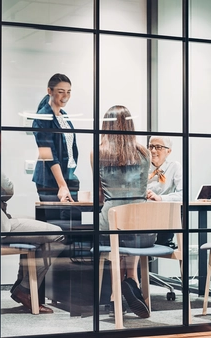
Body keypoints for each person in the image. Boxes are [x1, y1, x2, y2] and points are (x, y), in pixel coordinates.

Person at [0, 104, 64, 314]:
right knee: (56, 234)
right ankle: (24, 288)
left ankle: (20, 287)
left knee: (32, 233)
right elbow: (8, 188)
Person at [92, 105, 155, 319]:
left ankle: (115, 294)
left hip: (113, 224)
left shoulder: (98, 152)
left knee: (116, 235)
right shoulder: (144, 152)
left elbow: (100, 195)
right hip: (145, 230)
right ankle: (132, 280)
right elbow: (143, 189)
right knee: (131, 232)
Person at [32, 73, 80, 203]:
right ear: (49, 91)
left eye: (69, 92)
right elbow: (48, 153)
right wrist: (62, 185)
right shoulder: (42, 117)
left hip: (68, 176)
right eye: (61, 91)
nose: (66, 96)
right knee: (55, 222)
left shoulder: (64, 116)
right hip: (51, 180)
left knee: (72, 221)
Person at [146, 136, 183, 202]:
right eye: (151, 146)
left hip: (167, 209)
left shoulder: (174, 167)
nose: (153, 150)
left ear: (168, 151)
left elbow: (183, 195)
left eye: (158, 147)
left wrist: (160, 198)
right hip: (143, 209)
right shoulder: (142, 167)